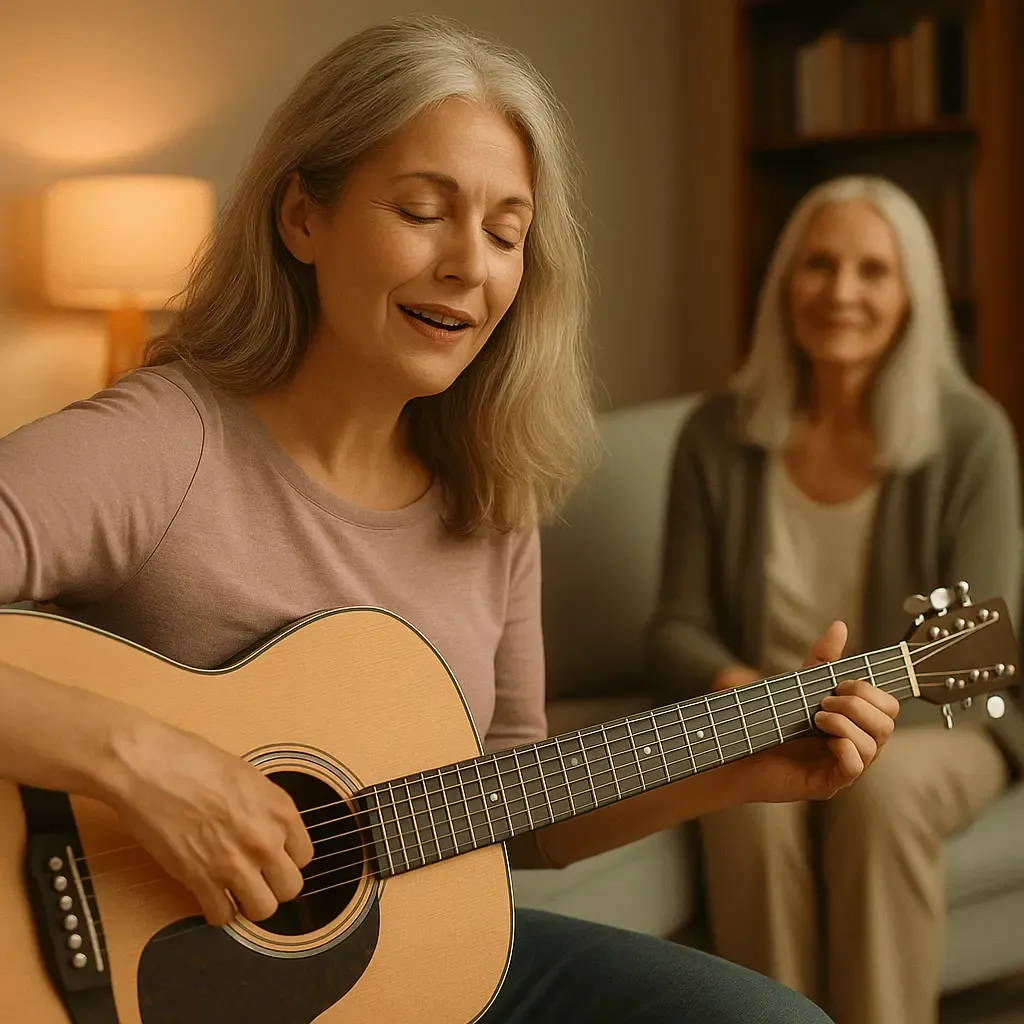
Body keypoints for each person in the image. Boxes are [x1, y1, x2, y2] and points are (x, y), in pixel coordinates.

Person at [0, 19, 898, 1023]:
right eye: (423, 211)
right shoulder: (165, 441)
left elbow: (513, 810)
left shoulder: (490, 490)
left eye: (507, 234)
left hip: (412, 967)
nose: (470, 266)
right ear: (303, 218)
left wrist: (740, 772)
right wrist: (140, 761)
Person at [646, 174, 1023, 1024]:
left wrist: (846, 718)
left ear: (911, 296)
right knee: (741, 798)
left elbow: (970, 659)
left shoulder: (972, 436)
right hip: (759, 716)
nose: (841, 292)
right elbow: (673, 628)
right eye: (819, 265)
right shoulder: (716, 433)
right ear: (786, 284)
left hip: (937, 726)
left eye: (872, 271)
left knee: (876, 791)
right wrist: (741, 688)